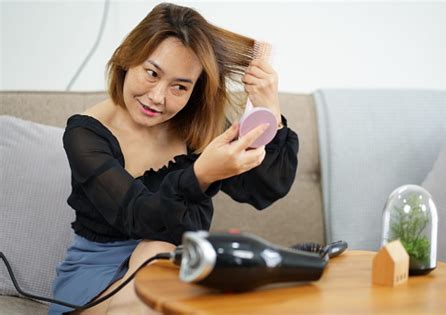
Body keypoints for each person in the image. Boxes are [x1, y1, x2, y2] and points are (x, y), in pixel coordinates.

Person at [49, 2, 298, 315]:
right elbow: (141, 216)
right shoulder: (85, 135)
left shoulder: (197, 127)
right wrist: (201, 176)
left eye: (180, 86)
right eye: (152, 73)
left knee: (161, 253)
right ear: (128, 59)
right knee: (159, 253)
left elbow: (265, 189)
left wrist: (269, 113)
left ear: (195, 90)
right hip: (95, 281)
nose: (158, 97)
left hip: (172, 266)